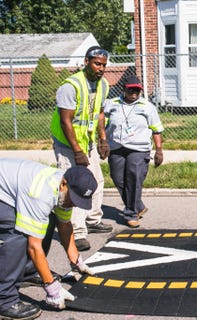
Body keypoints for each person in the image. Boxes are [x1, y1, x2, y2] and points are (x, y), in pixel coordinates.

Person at [0, 158, 96, 319]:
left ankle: (28, 272)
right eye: (73, 199)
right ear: (63, 184)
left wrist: (76, 260)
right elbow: (33, 246)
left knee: (49, 220)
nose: (73, 204)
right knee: (17, 234)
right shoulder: (40, 194)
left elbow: (64, 225)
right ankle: (5, 300)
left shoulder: (62, 192)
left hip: (11, 187)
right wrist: (51, 288)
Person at [50, 45, 113, 252]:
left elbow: (100, 113)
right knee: (75, 185)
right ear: (86, 62)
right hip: (69, 144)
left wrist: (103, 139)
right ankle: (76, 231)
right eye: (97, 63)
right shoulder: (71, 86)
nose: (101, 68)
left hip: (88, 141)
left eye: (104, 64)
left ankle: (93, 220)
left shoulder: (103, 84)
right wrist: (77, 151)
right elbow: (65, 121)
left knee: (96, 180)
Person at [104, 75, 165, 228]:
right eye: (131, 89)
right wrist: (102, 140)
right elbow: (100, 121)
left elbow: (156, 130)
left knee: (133, 178)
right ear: (123, 89)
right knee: (118, 179)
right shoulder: (111, 104)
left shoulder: (147, 106)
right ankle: (138, 205)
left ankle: (131, 213)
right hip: (116, 148)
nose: (134, 93)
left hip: (139, 149)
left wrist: (159, 151)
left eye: (137, 90)